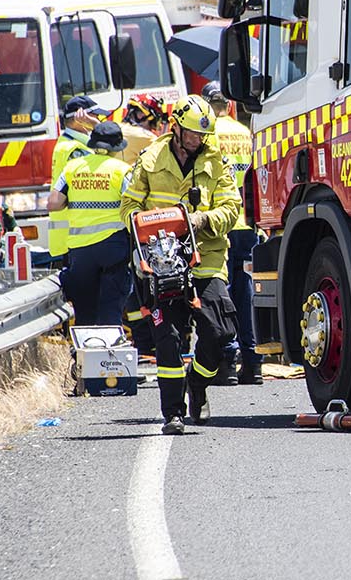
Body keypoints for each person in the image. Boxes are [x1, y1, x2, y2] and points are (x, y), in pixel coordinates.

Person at [121, 95, 241, 435]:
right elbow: (128, 204)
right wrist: (144, 223)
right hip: (162, 261)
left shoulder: (217, 161)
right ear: (176, 129)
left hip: (206, 257)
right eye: (191, 134)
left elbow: (232, 207)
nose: (197, 141)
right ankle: (173, 413)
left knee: (220, 334)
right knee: (169, 338)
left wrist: (203, 219)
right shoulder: (150, 159)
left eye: (202, 136)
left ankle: (198, 385)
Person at [203, 81, 261, 385]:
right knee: (246, 293)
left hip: (218, 225)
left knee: (219, 295)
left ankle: (226, 361)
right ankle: (253, 363)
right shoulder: (244, 133)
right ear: (229, 104)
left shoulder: (207, 134)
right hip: (247, 223)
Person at [50, 121, 135, 328]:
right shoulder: (122, 171)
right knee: (110, 308)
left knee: (85, 312)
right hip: (113, 248)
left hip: (80, 251)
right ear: (117, 148)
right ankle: (108, 355)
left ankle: (84, 356)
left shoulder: (72, 168)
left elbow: (53, 203)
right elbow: (134, 207)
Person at [49, 96, 107, 264]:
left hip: (75, 239)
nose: (97, 120)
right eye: (94, 117)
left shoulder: (73, 144)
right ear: (79, 119)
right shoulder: (74, 150)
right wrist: (97, 128)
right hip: (75, 241)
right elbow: (107, 162)